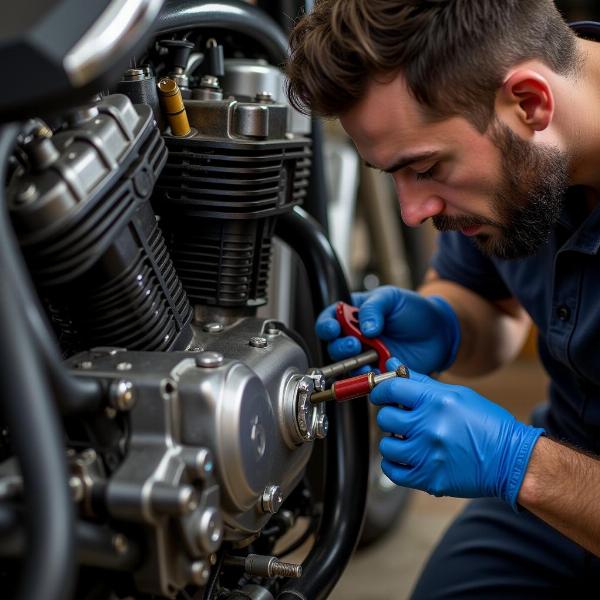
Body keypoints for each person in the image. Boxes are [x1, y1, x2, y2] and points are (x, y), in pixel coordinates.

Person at [285, 1, 600, 597]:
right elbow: (495, 309)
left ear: (530, 102)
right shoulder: (529, 155)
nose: (412, 212)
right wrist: (449, 323)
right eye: (394, 176)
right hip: (563, 470)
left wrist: (520, 465)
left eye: (426, 167)